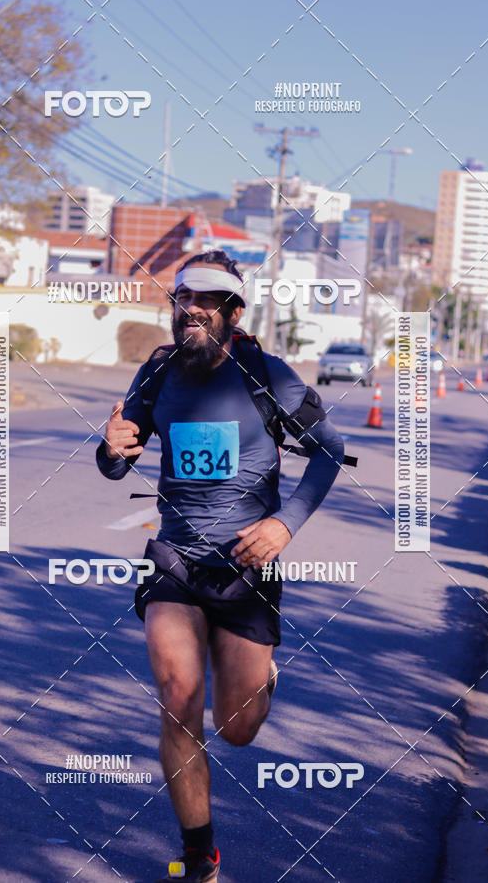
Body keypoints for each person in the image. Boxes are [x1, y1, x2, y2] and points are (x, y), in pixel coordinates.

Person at [96, 250, 345, 882]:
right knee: (178, 695)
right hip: (176, 560)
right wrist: (110, 449)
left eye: (208, 301)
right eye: (184, 299)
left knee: (236, 729)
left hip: (244, 568)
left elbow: (330, 451)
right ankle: (200, 857)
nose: (193, 310)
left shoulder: (267, 374)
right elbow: (118, 460)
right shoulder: (157, 375)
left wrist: (284, 523)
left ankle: (263, 682)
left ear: (234, 312)